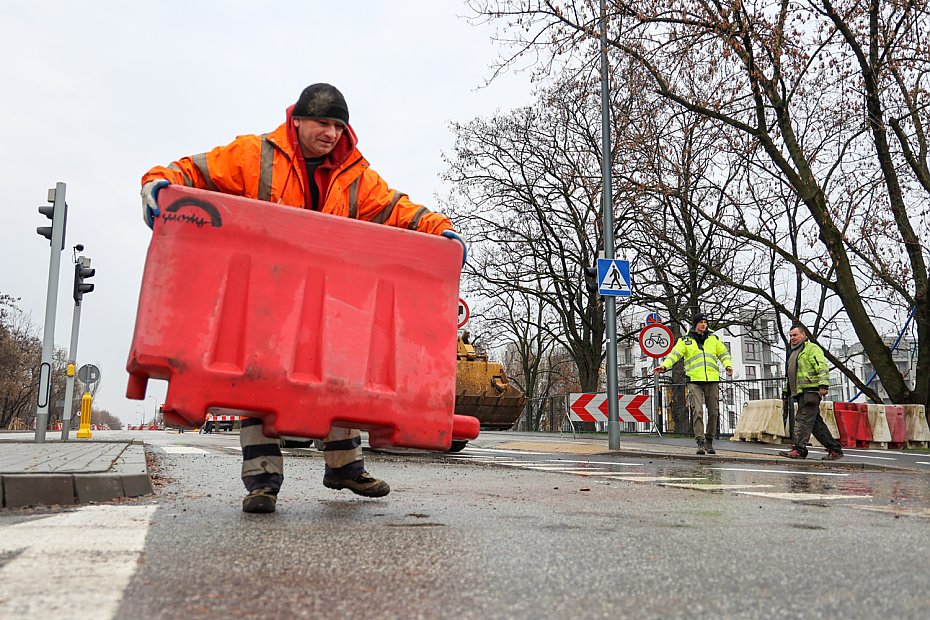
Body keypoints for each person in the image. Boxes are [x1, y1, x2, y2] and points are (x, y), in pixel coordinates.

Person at [140, 83, 467, 513]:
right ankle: (262, 484)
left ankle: (344, 469)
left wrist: (440, 231)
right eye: (322, 123)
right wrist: (157, 187)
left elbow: (396, 209)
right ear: (297, 120)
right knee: (262, 386)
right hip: (267, 298)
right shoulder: (253, 156)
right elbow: (191, 171)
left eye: (337, 126)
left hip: (329, 303)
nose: (330, 133)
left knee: (341, 381)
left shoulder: (355, 177)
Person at [653, 314, 733, 455]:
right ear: (695, 324)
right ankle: (700, 442)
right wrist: (664, 366)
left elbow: (723, 353)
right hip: (694, 380)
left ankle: (709, 439)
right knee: (697, 411)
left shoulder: (713, 338)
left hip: (712, 379)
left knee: (714, 412)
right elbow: (674, 355)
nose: (703, 324)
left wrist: (728, 366)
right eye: (701, 322)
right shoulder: (685, 341)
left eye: (705, 322)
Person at [780, 324, 843, 460]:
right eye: (790, 336)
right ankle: (835, 449)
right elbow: (791, 374)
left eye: (795, 335)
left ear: (803, 335)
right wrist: (786, 391)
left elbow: (822, 366)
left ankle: (799, 449)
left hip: (811, 391)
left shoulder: (811, 349)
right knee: (815, 424)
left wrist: (823, 384)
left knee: (802, 419)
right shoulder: (794, 352)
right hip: (801, 392)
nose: (792, 338)